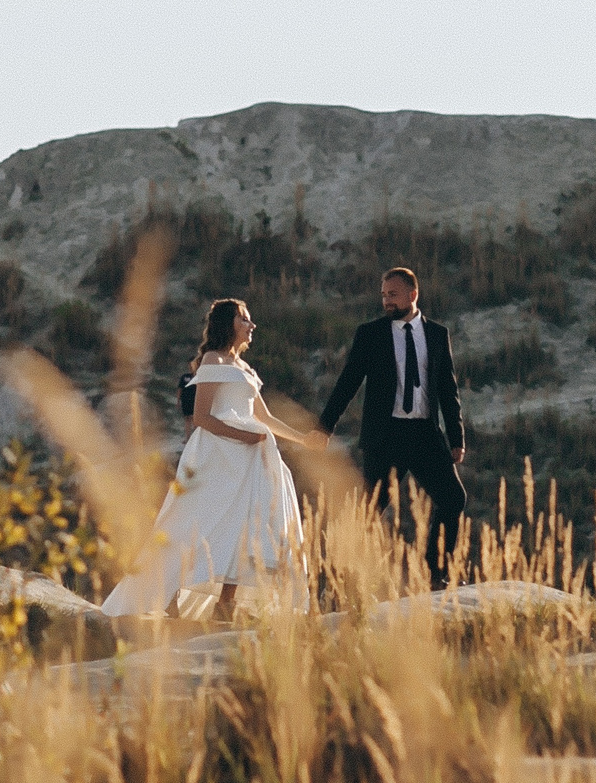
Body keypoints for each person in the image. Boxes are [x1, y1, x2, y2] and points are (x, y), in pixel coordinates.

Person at [102, 298, 319, 622]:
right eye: (244, 319)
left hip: (251, 457)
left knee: (248, 523)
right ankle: (165, 593)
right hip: (218, 453)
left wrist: (303, 439)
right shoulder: (212, 359)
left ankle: (226, 601)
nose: (251, 325)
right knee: (195, 520)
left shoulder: (244, 368)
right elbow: (202, 417)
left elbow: (264, 417)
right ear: (227, 324)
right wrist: (245, 436)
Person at [318, 266, 467, 585]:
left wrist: (456, 437)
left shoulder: (437, 334)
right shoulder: (371, 333)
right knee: (368, 511)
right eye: (384, 295)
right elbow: (348, 382)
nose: (387, 301)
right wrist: (324, 426)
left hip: (426, 435)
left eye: (393, 295)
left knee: (453, 499)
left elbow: (447, 388)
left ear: (413, 295)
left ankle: (437, 574)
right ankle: (343, 578)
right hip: (386, 438)